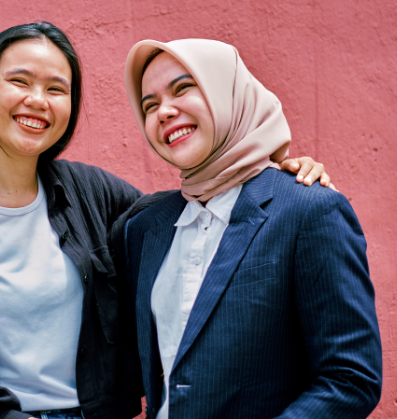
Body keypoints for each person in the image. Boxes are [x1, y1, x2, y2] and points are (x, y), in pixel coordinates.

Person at [0, 22, 331, 419]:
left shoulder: (94, 195)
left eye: (57, 89)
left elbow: (200, 210)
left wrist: (270, 175)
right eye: (20, 81)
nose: (38, 101)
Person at [123, 38, 382, 419]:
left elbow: (351, 378)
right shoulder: (146, 229)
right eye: (149, 105)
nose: (163, 111)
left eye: (182, 88)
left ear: (228, 94)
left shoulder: (309, 210)